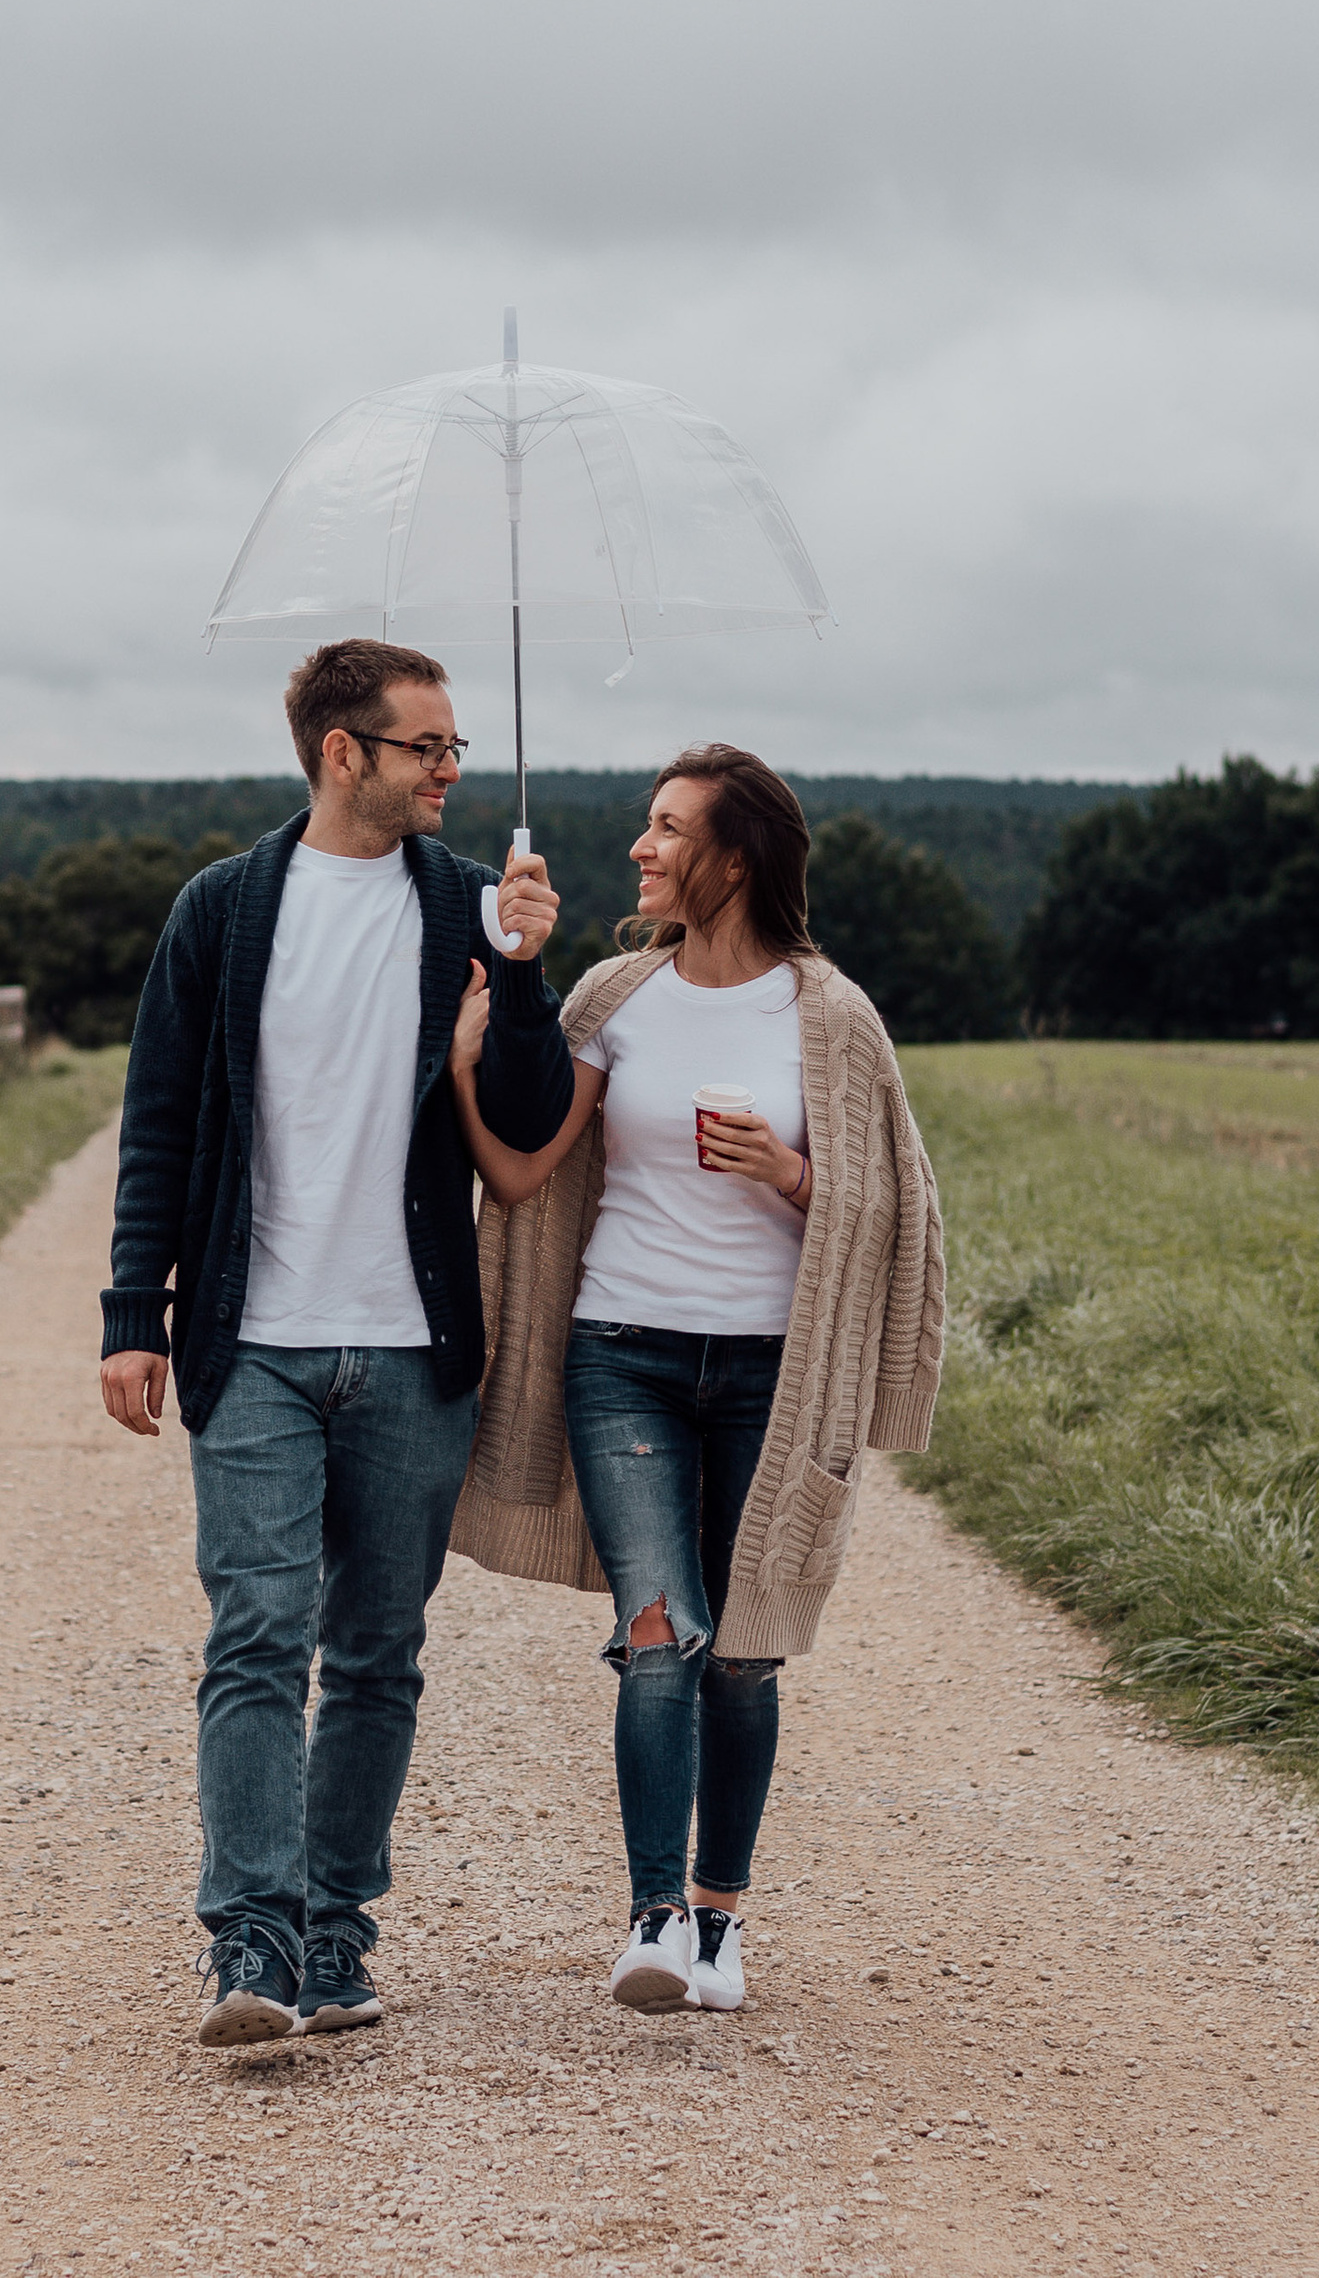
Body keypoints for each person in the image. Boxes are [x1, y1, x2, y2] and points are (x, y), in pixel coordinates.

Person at [100, 637, 566, 2048]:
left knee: (376, 1650)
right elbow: (162, 1118)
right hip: (257, 1342)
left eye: (457, 747)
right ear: (339, 752)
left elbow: (530, 1131)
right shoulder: (224, 910)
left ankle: (335, 1929)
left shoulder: (476, 909)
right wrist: (136, 1315)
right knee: (258, 1633)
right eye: (425, 746)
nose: (449, 770)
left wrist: (530, 971)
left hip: (414, 1349)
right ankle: (249, 1934)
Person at [447, 744, 942, 2017]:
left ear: (735, 857)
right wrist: (474, 1050)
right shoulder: (617, 996)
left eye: (668, 830)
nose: (640, 849)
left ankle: (722, 1920)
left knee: (745, 1655)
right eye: (646, 825)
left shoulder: (830, 1019)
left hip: (776, 1378)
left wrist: (787, 1174)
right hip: (623, 1361)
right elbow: (523, 1171)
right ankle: (653, 1919)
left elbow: (893, 1211)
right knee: (660, 1635)